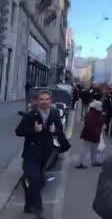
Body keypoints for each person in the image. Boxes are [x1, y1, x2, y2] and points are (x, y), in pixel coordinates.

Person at [15, 90, 70, 219]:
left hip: (45, 155)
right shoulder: (31, 115)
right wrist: (33, 130)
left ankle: (28, 206)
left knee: (35, 181)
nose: (44, 101)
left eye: (46, 99)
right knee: (36, 180)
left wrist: (55, 130)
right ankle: (39, 210)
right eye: (41, 99)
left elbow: (60, 131)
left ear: (51, 101)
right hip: (30, 155)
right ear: (38, 101)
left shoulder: (55, 114)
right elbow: (18, 131)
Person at [76, 100, 105, 169]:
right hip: (91, 134)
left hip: (91, 134)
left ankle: (93, 162)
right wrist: (96, 132)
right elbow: (90, 125)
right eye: (100, 106)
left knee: (92, 149)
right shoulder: (94, 114)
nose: (101, 107)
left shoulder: (92, 113)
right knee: (86, 149)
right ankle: (79, 163)